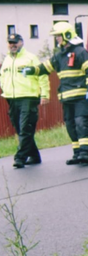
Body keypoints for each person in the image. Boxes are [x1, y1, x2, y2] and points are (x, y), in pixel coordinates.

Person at [21, 22, 88, 165]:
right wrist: (31, 70)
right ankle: (77, 154)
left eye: (58, 36)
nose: (57, 39)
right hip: (66, 98)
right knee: (71, 126)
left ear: (67, 35)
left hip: (81, 98)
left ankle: (86, 154)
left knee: (82, 124)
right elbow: (45, 67)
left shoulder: (81, 52)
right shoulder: (59, 55)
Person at [1, 33, 50, 168]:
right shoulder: (7, 60)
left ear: (21, 42)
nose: (13, 45)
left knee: (25, 129)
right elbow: (2, 76)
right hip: (12, 98)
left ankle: (20, 157)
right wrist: (4, 88)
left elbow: (43, 75)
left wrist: (45, 94)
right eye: (10, 42)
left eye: (15, 42)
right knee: (19, 128)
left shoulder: (30, 58)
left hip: (28, 97)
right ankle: (34, 156)